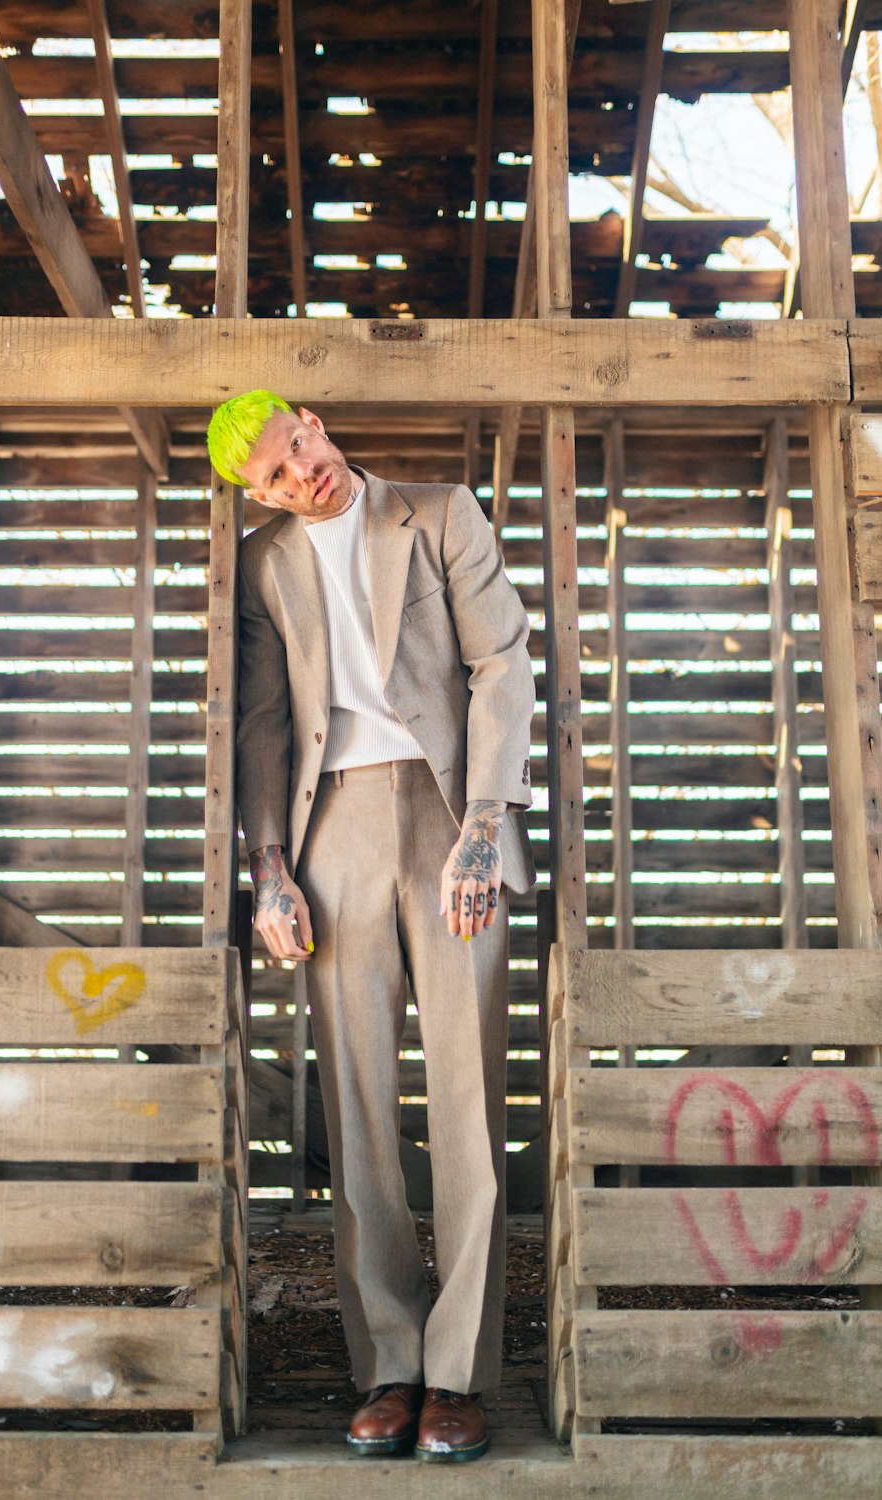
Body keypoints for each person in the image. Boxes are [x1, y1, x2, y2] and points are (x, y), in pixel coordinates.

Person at [207, 390, 536, 1463]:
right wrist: (268, 868)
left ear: (311, 420)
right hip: (329, 826)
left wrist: (483, 829)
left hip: (450, 814)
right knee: (354, 1103)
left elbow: (501, 663)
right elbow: (260, 716)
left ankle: (458, 1375)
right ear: (257, 495)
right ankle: (388, 1365)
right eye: (274, 476)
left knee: (466, 1101)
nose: (303, 473)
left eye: (299, 444)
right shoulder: (263, 567)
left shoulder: (439, 514)